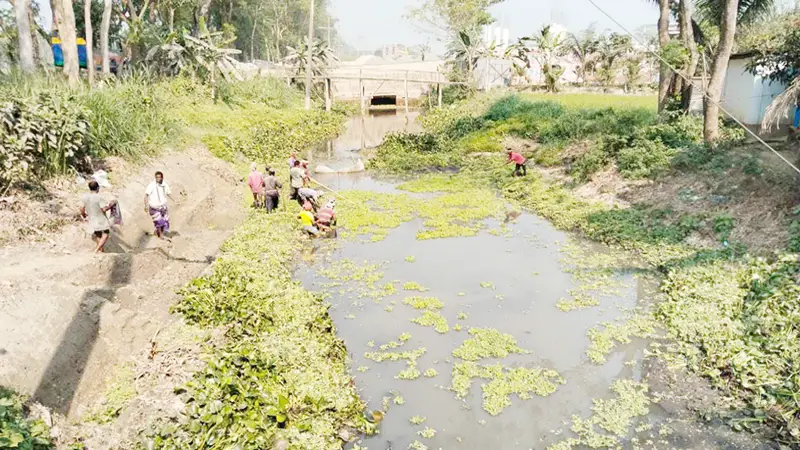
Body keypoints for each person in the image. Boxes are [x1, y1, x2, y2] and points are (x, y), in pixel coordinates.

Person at [80, 180, 117, 253]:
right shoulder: (99, 197)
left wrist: (84, 215)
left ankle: (101, 250)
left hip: (91, 218)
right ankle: (96, 250)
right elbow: (104, 209)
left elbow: (81, 208)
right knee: (106, 233)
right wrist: (111, 205)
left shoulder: (85, 197)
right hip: (100, 219)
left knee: (98, 234)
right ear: (97, 188)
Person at [144, 171, 173, 239]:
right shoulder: (151, 185)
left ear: (162, 177)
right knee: (159, 221)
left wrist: (175, 199)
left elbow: (168, 193)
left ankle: (159, 232)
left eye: (159, 177)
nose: (158, 179)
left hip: (163, 207)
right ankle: (160, 234)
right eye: (156, 177)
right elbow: (146, 195)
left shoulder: (164, 185)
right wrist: (146, 205)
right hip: (154, 207)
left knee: (165, 221)